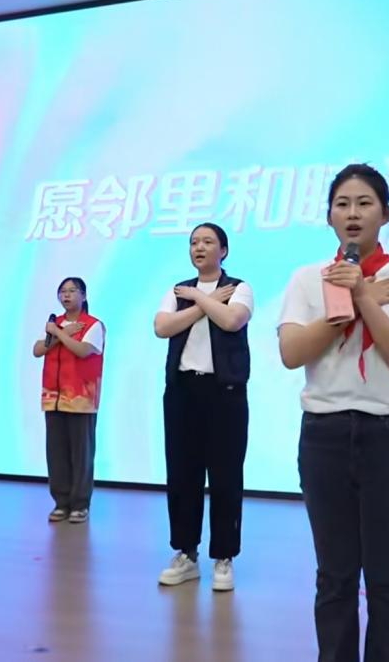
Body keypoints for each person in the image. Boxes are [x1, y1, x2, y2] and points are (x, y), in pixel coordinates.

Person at [278, 163, 389, 662]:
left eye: (364, 203)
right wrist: (344, 306)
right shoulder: (307, 279)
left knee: (388, 578)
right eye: (342, 204)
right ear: (329, 216)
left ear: (385, 214)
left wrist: (366, 297)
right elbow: (291, 353)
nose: (353, 213)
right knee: (334, 576)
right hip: (325, 435)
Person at [153, 222, 252, 591]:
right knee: (182, 474)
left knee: (226, 475)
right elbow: (162, 327)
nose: (199, 247)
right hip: (182, 391)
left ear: (223, 251)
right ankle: (186, 553)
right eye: (194, 242)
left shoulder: (239, 288)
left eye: (208, 241)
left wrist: (199, 300)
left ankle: (224, 556)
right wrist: (201, 300)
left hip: (225, 393)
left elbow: (232, 320)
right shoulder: (179, 290)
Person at [32, 277, 105, 524]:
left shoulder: (93, 325)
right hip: (53, 398)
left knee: (81, 454)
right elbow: (37, 350)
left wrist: (59, 334)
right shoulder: (56, 324)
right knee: (57, 453)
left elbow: (83, 350)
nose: (66, 295)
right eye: (62, 291)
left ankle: (80, 504)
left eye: (72, 291)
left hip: (81, 399)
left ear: (83, 296)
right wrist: (58, 333)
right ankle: (61, 503)